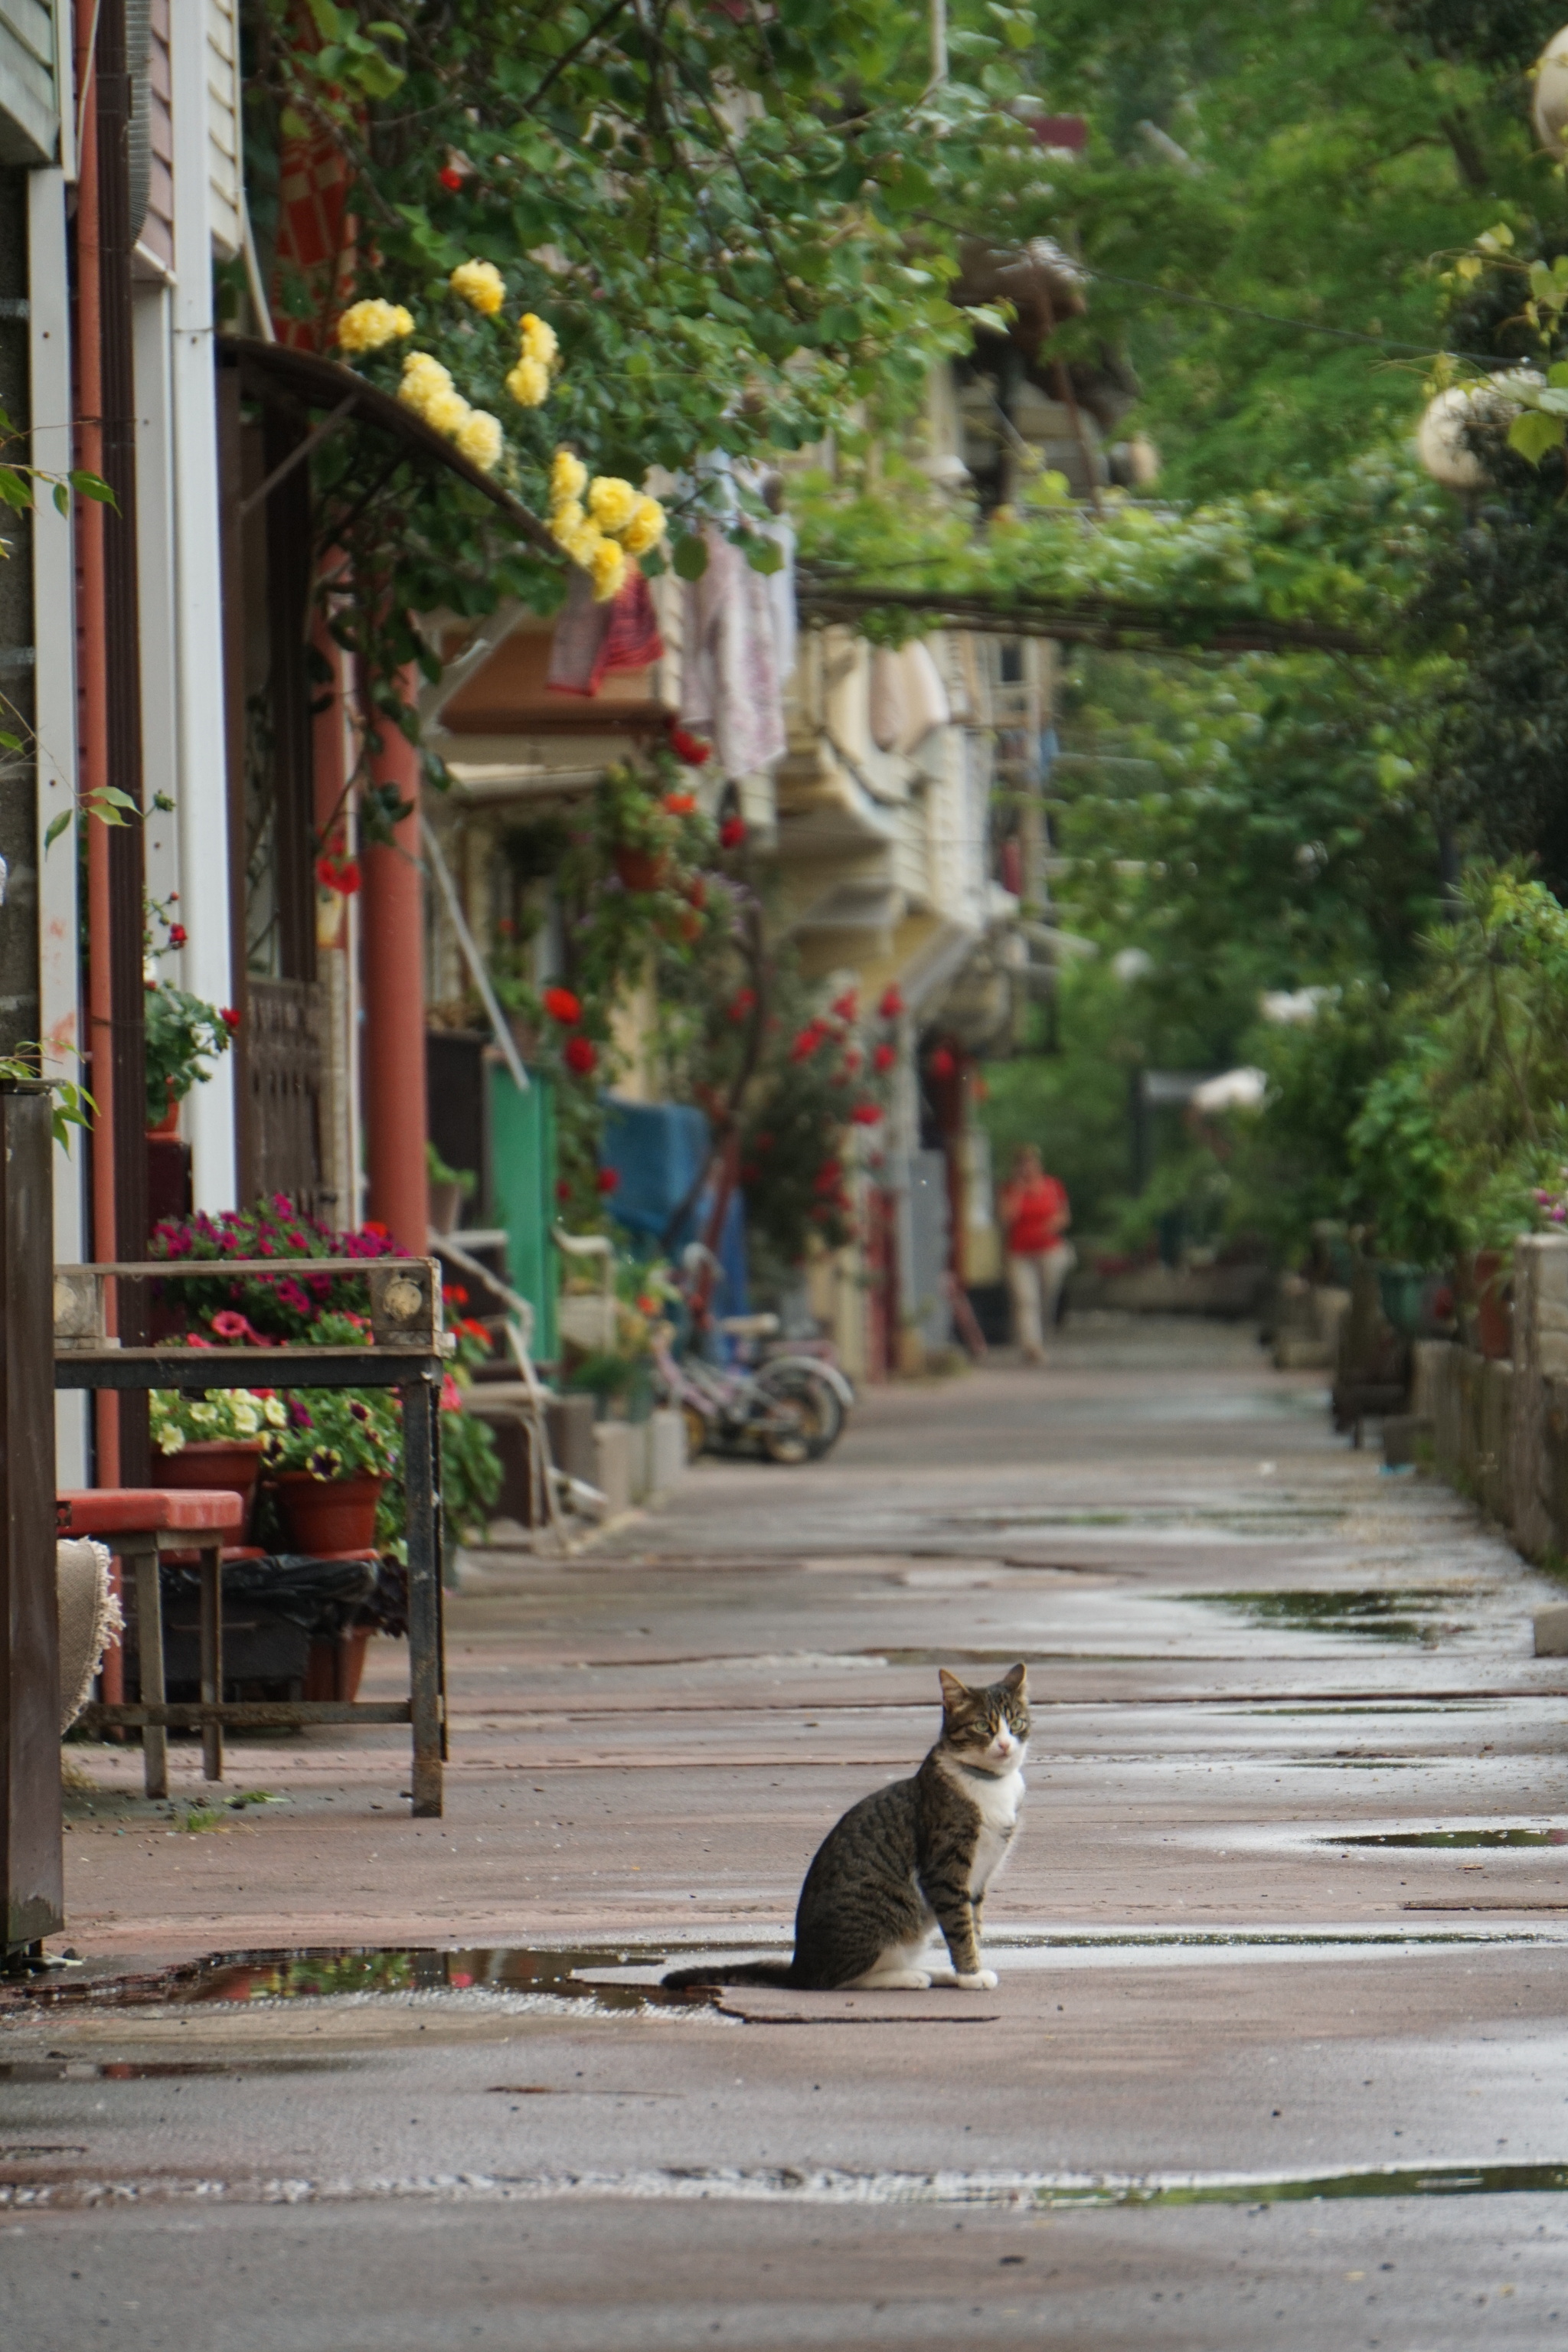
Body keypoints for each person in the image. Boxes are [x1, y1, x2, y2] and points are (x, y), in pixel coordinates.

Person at [998, 1144, 1072, 1363]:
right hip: (1020, 1253)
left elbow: (1064, 1215)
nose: (1028, 1168)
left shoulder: (1053, 1186)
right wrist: (1019, 1192)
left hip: (1049, 1250)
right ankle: (1031, 1345)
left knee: (1046, 1295)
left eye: (1031, 1163)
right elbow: (1006, 1219)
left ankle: (1042, 1332)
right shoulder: (1010, 1189)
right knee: (1025, 1299)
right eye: (1023, 1164)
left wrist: (1051, 1225)